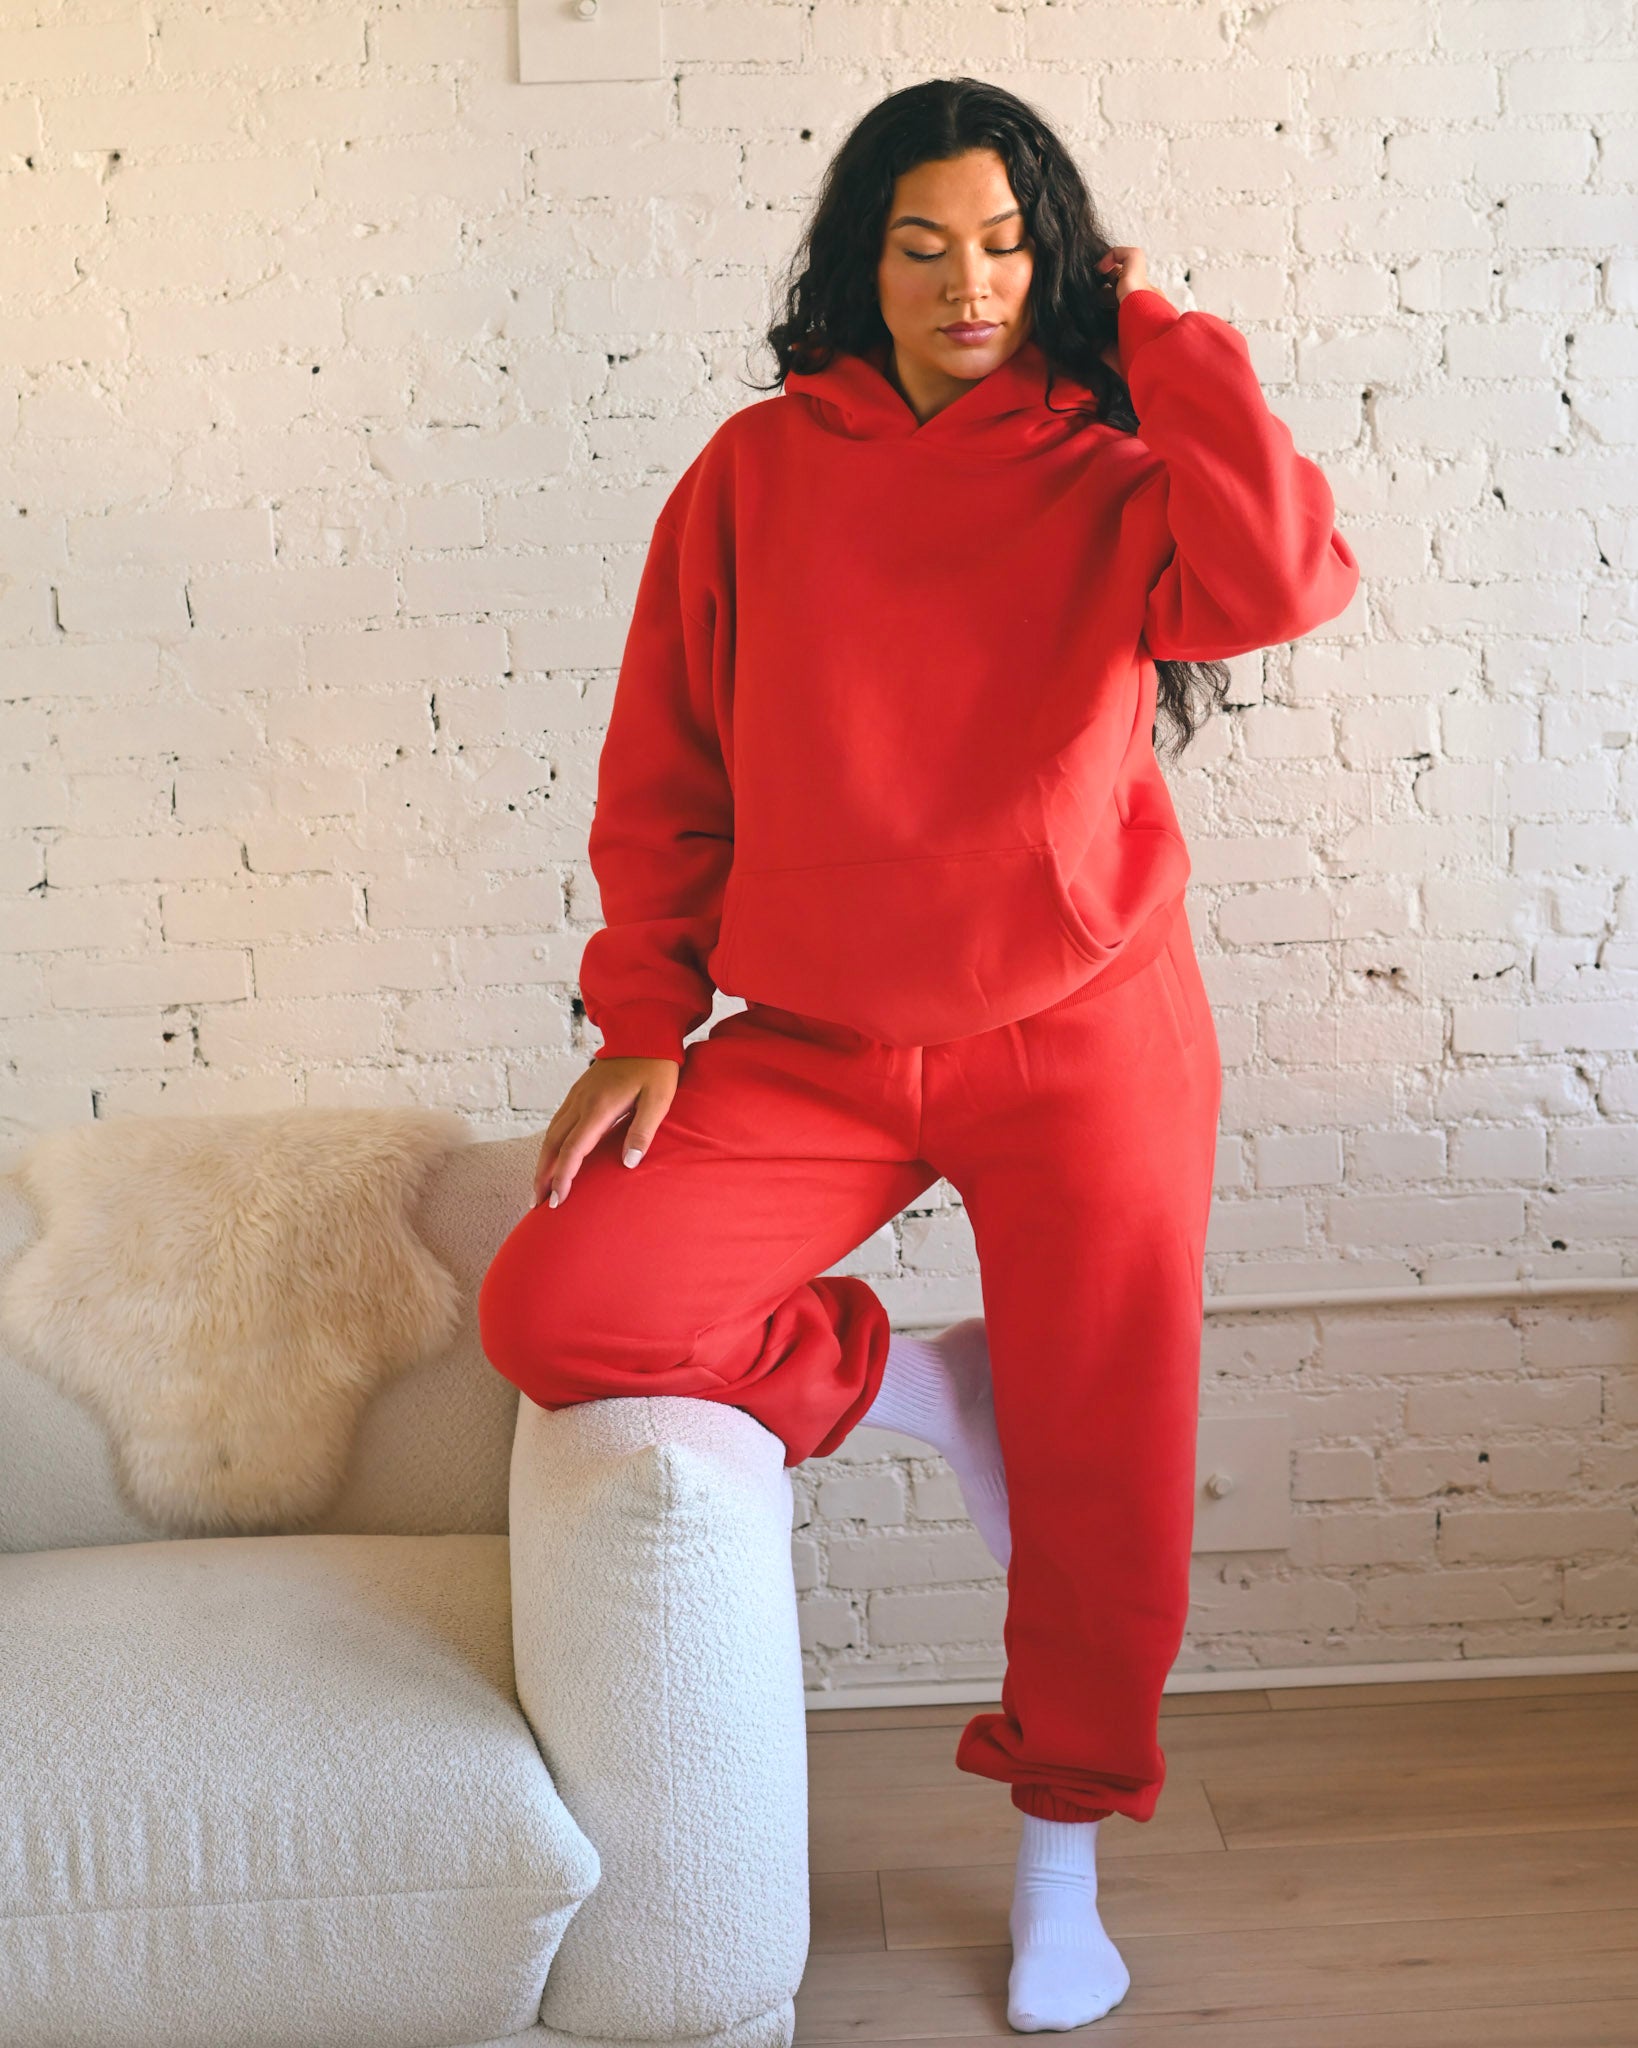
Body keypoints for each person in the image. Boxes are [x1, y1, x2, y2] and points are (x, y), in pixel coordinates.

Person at [479, 76, 1358, 2034]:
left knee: (1104, 1461)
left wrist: (1156, 332)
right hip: (816, 1037)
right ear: (858, 262)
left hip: (1086, 1031)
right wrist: (643, 1018)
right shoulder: (751, 475)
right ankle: (914, 1385)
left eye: (1009, 246)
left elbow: (1286, 579)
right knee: (560, 1301)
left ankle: (1062, 1867)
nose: (969, 284)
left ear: (1057, 266)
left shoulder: (1114, 467)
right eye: (924, 244)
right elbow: (664, 763)